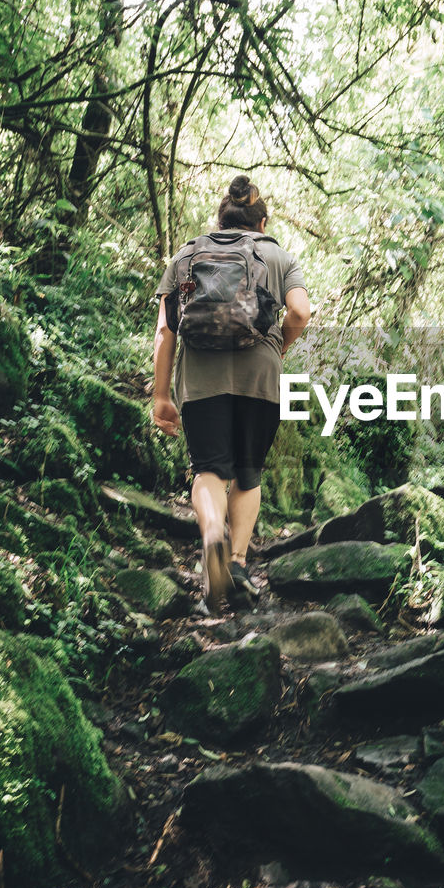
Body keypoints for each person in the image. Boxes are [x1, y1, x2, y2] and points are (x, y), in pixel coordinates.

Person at [152, 175, 310, 609]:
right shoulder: (278, 255)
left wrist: (161, 396)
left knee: (208, 470)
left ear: (220, 220)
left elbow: (166, 330)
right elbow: (299, 311)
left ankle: (211, 534)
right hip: (260, 375)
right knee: (248, 471)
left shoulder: (186, 255)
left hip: (201, 375)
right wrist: (279, 343)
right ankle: (237, 563)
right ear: (262, 223)